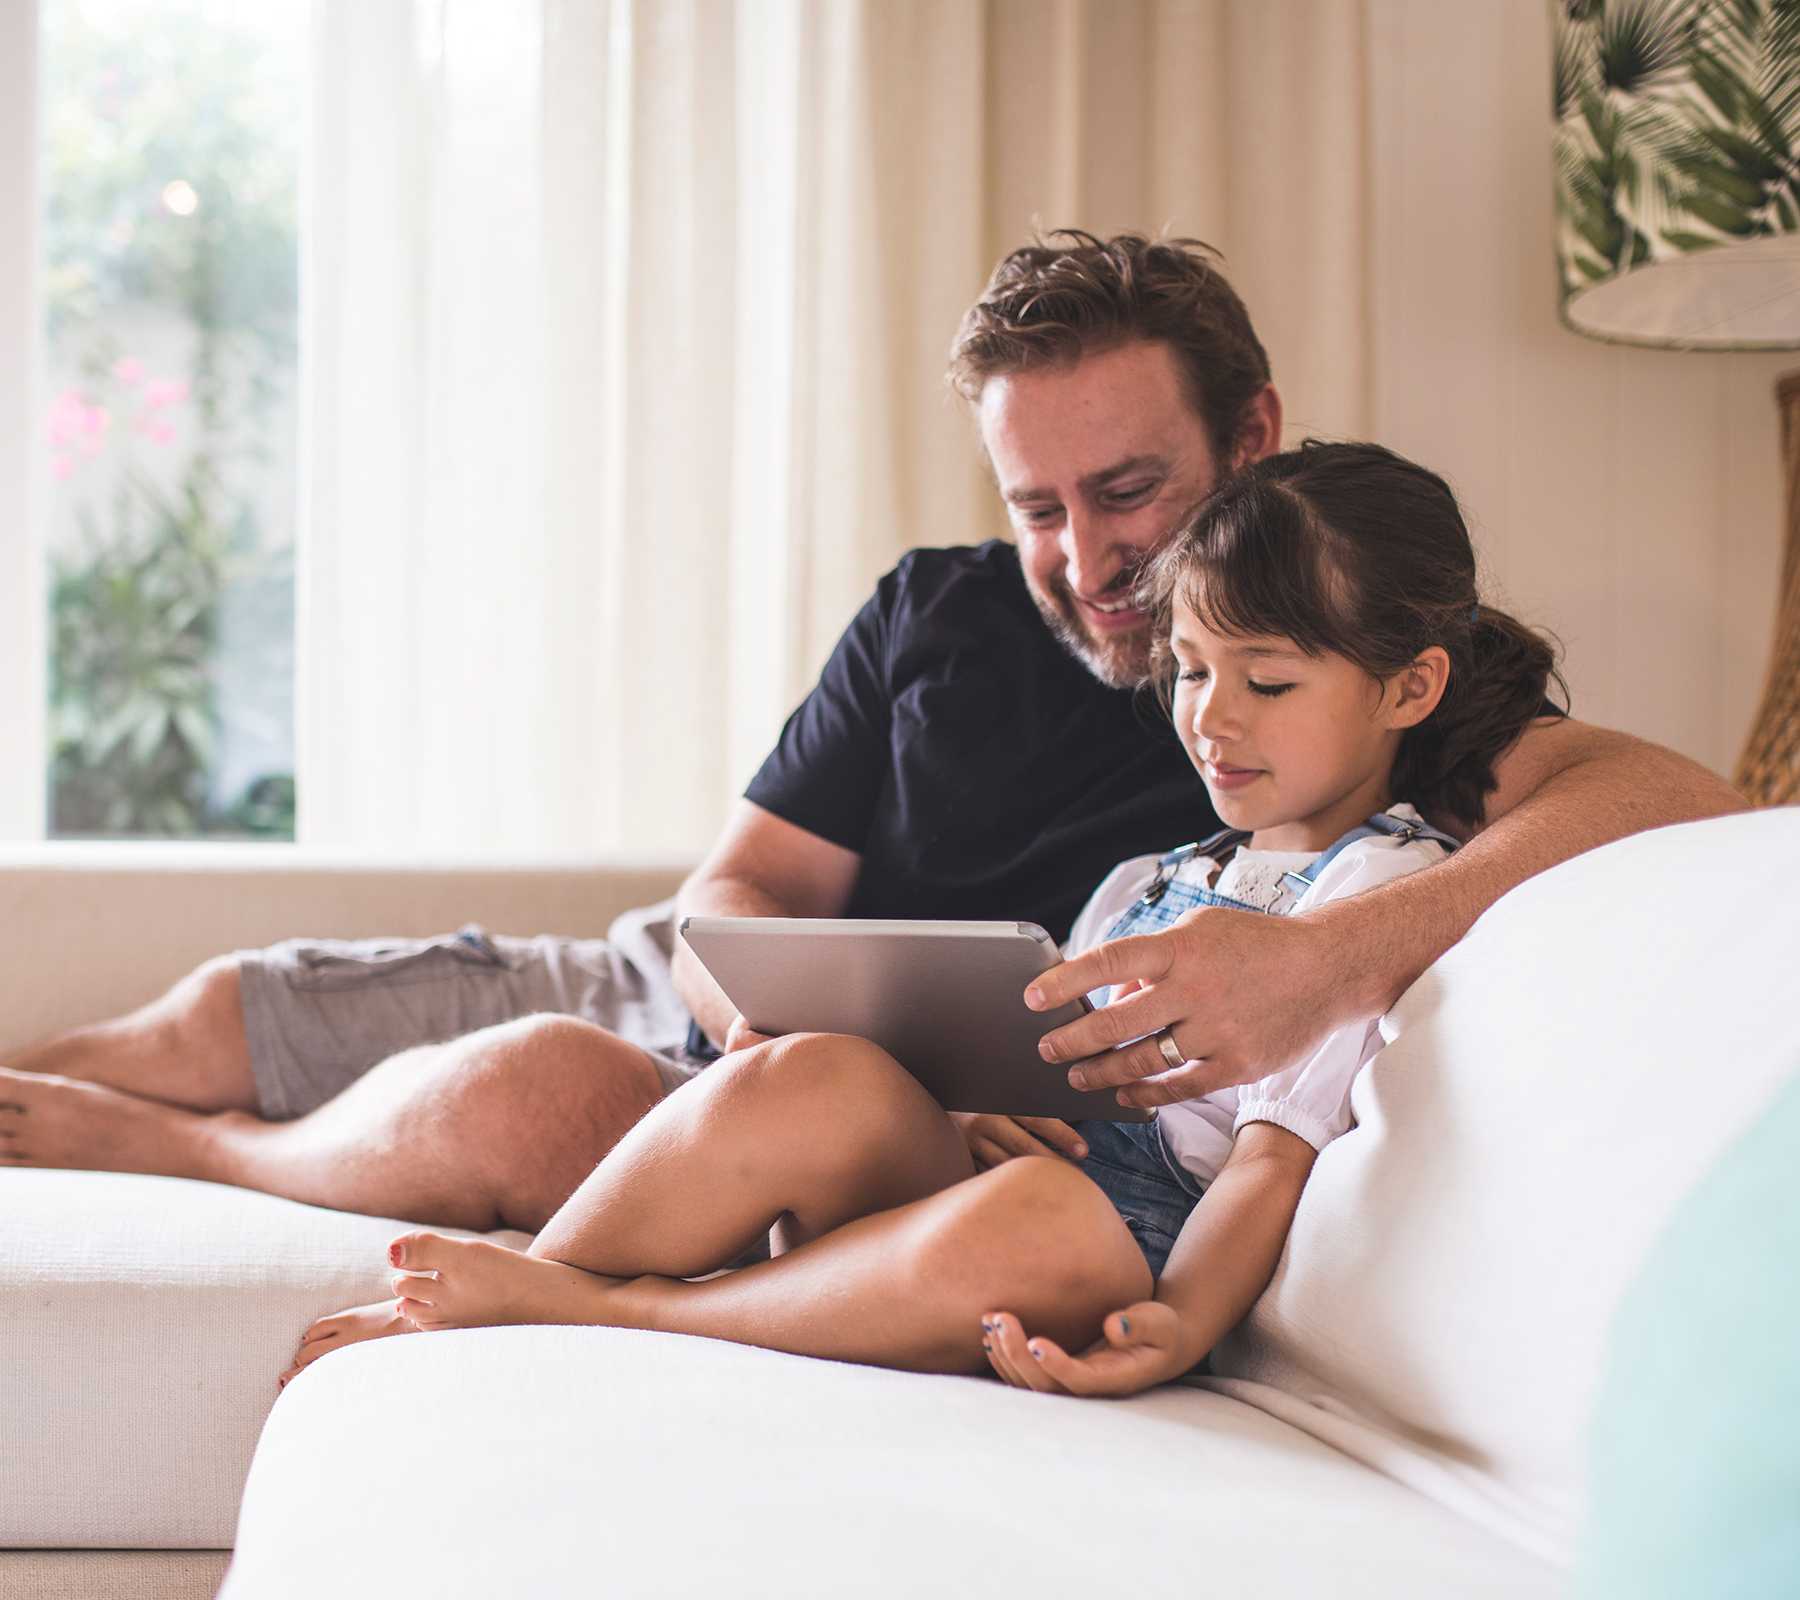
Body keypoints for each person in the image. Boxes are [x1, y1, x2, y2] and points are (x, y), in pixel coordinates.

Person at [0, 232, 1741, 1280]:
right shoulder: (938, 610)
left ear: (1252, 436)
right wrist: (755, 989)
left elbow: (1685, 803)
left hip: (849, 1122)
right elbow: (751, 882)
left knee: (537, 1090)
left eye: (1129, 490)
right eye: (1039, 506)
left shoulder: (1322, 671)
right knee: (224, 1012)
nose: (1088, 556)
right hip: (713, 1007)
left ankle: (189, 1154)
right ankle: (105, 1092)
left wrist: (1316, 957)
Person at [284, 441, 1556, 1393]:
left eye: (1266, 682)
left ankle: (612, 1311)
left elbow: (1271, 1158)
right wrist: (952, 1098)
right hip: (1013, 1180)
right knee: (818, 1073)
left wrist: (1184, 1319)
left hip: (1117, 1244)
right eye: (1192, 670)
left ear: (1411, 687)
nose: (1210, 720)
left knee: (1047, 1219)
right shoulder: (1156, 877)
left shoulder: (1373, 890)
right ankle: (542, 1281)